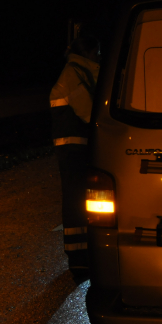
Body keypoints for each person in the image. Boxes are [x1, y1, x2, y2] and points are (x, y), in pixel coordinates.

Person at [50, 35, 101, 276]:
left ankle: (82, 254)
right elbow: (89, 112)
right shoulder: (74, 73)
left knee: (79, 200)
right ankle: (78, 258)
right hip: (73, 148)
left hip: (75, 146)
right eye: (95, 51)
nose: (98, 56)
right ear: (87, 52)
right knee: (75, 201)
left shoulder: (79, 70)